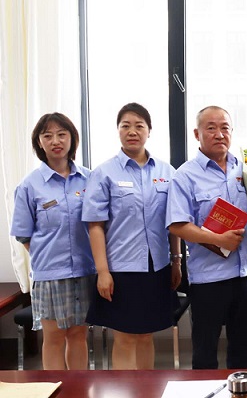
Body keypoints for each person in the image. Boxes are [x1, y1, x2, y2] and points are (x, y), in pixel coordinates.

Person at [82, 103, 181, 369]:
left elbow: (174, 222)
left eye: (139, 126)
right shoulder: (104, 173)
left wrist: (176, 261)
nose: (132, 131)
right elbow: (95, 226)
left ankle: (146, 388)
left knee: (146, 335)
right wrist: (103, 272)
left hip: (156, 266)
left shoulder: (166, 172)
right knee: (125, 337)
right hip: (120, 269)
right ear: (118, 131)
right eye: (125, 126)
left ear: (149, 131)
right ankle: (124, 390)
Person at [166, 106, 247, 369]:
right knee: (205, 353)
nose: (219, 134)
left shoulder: (246, 170)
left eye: (225, 128)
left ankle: (243, 389)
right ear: (197, 134)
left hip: (245, 274)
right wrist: (219, 240)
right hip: (209, 279)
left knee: (245, 350)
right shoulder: (185, 175)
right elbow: (177, 225)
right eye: (211, 128)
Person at [11, 113, 95, 370]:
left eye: (61, 134)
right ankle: (55, 388)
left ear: (72, 138)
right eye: (47, 136)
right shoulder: (29, 185)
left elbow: (99, 225)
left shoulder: (90, 179)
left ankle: (78, 389)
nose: (55, 141)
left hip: (84, 270)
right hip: (50, 275)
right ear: (39, 142)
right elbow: (24, 235)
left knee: (78, 335)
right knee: (55, 337)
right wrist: (48, 257)